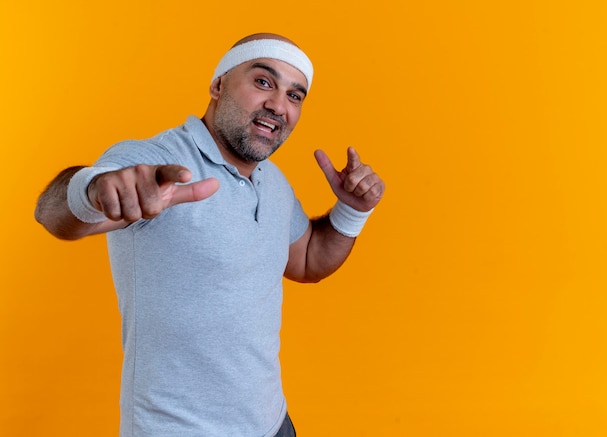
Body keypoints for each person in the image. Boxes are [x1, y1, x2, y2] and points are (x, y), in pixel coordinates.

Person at [35, 33, 385, 437]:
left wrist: (352, 211)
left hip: (273, 424)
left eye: (295, 95)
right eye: (263, 82)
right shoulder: (157, 162)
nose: (278, 105)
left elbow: (308, 260)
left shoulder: (273, 182)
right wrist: (94, 191)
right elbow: (52, 213)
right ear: (218, 85)